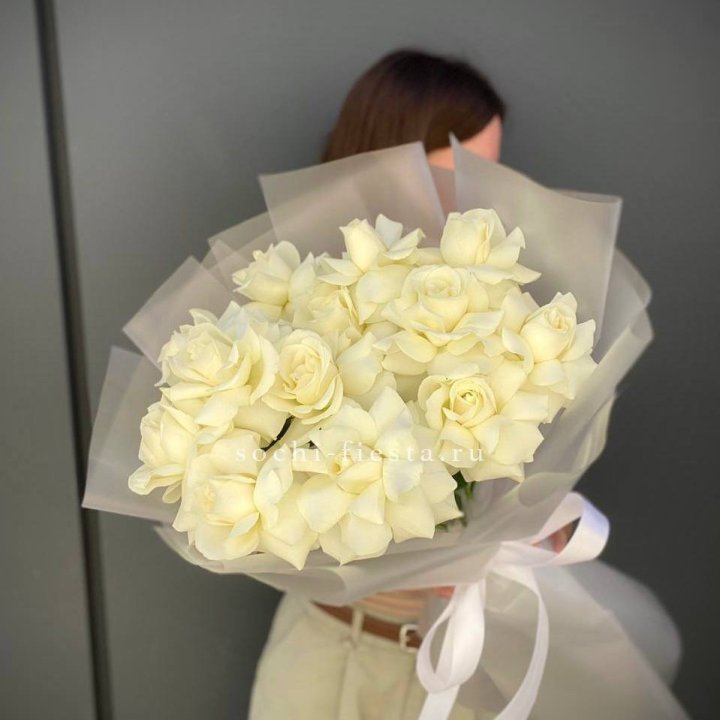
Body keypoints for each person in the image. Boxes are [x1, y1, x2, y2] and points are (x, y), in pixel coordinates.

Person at [248, 49, 569, 720]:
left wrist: (532, 530)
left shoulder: (499, 309)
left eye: (491, 174)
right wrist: (424, 554)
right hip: (334, 663)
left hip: (462, 664)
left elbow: (510, 473)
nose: (477, 201)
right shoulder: (292, 307)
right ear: (385, 160)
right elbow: (261, 496)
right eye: (456, 174)